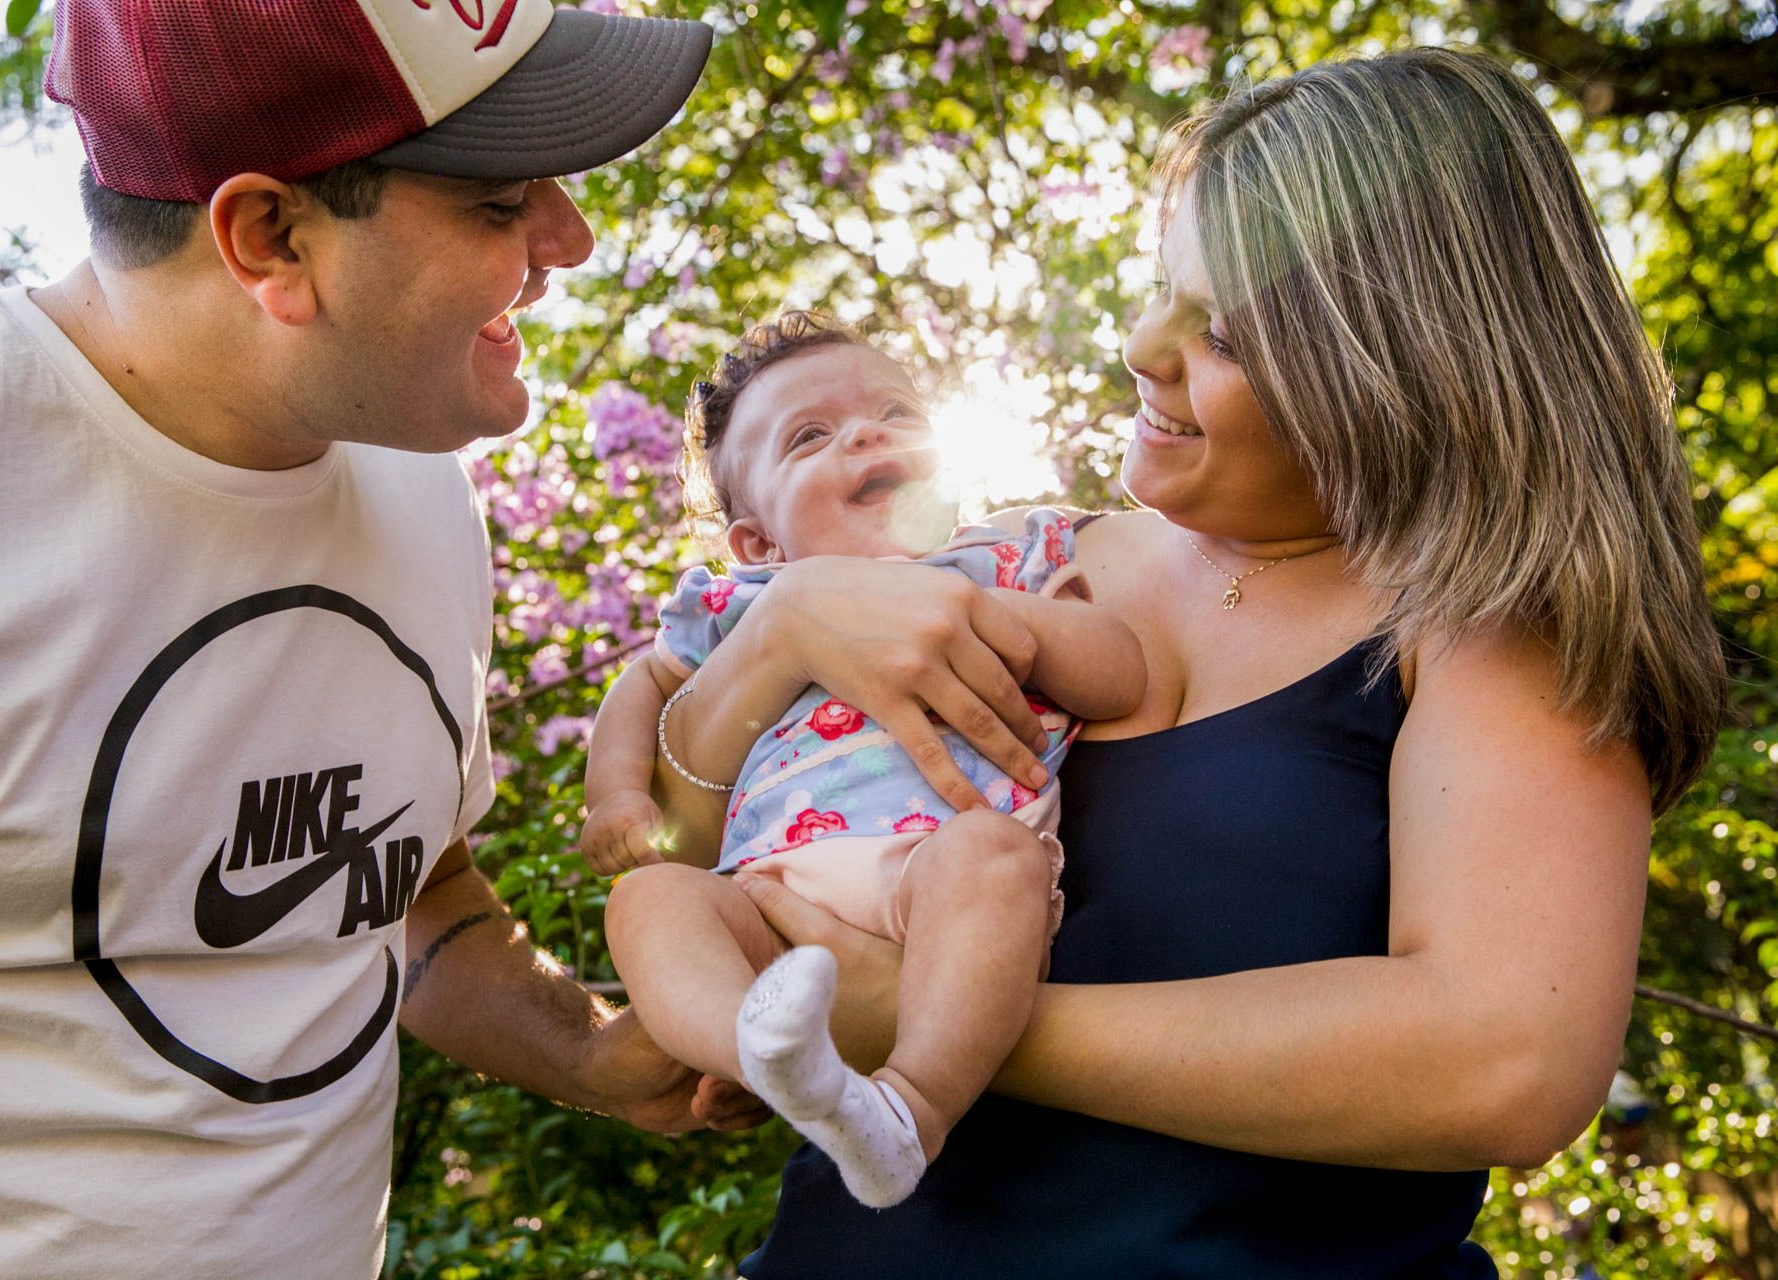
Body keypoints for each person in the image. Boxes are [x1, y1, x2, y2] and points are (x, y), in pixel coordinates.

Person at [640, 48, 1725, 1277]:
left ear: (1398, 365)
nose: (1143, 347)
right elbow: (690, 850)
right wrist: (776, 638)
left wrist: (934, 1019)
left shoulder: (1487, 630)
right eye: (1163, 286)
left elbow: (1506, 1061)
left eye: (1225, 331)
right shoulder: (1012, 555)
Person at [0, 3, 762, 1277]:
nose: (575, 235)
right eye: (502, 204)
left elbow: (411, 895)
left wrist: (594, 1049)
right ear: (269, 237)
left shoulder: (424, 491)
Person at [579, 313, 1147, 1207]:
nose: (867, 432)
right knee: (650, 899)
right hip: (772, 896)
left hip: (944, 882)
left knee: (996, 858)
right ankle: (766, 1054)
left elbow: (1118, 672)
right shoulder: (744, 602)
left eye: (896, 410)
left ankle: (907, 1110)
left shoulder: (1004, 558)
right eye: (811, 436)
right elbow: (643, 689)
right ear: (759, 542)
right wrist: (614, 794)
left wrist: (996, 616)